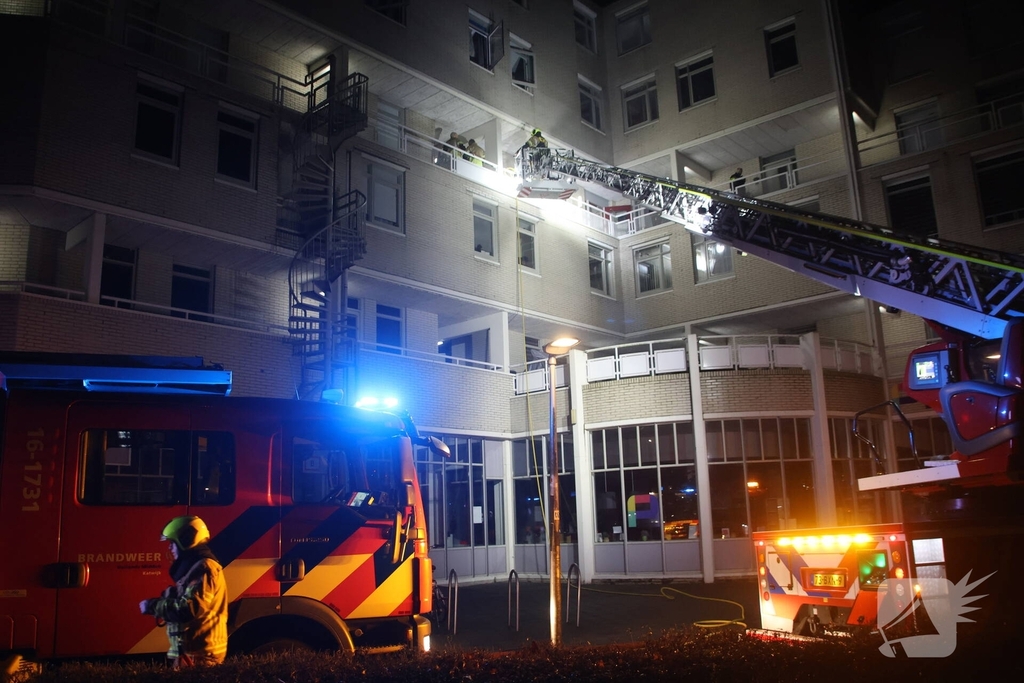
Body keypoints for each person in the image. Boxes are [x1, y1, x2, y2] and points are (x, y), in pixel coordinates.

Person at [139, 515, 228, 668]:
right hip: (192, 653)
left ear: (186, 541)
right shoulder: (195, 567)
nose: (169, 548)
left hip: (200, 655)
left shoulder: (204, 567)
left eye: (172, 543)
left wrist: (153, 606)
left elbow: (189, 609)